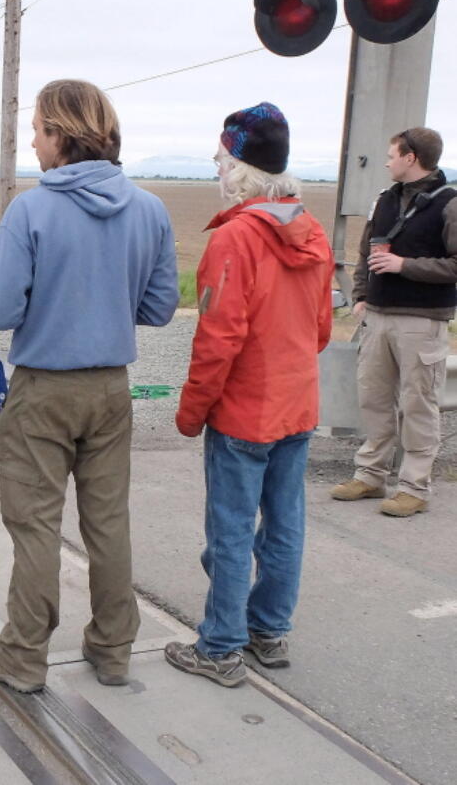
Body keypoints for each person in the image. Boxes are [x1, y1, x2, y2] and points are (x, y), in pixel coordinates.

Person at [0, 79, 178, 692]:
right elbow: (162, 306)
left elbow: (1, 309)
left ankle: (23, 657)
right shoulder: (150, 209)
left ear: (60, 135)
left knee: (35, 526)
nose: (32, 142)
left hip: (43, 390)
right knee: (108, 524)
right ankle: (113, 649)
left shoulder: (31, 209)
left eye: (36, 129)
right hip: (112, 390)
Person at [165, 102, 333, 688]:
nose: (215, 165)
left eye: (220, 156)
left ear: (237, 166)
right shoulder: (310, 231)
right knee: (285, 524)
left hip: (244, 413)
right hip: (297, 404)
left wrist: (191, 413)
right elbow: (320, 331)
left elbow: (218, 341)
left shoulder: (235, 239)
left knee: (232, 530)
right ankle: (269, 630)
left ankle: (220, 648)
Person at [330, 127, 456, 518]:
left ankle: (414, 487)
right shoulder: (383, 200)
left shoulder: (450, 205)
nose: (386, 161)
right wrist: (362, 296)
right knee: (374, 400)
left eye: (391, 154)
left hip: (422, 321)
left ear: (411, 157)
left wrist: (405, 266)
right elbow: (367, 249)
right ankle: (371, 476)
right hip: (378, 317)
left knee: (418, 404)